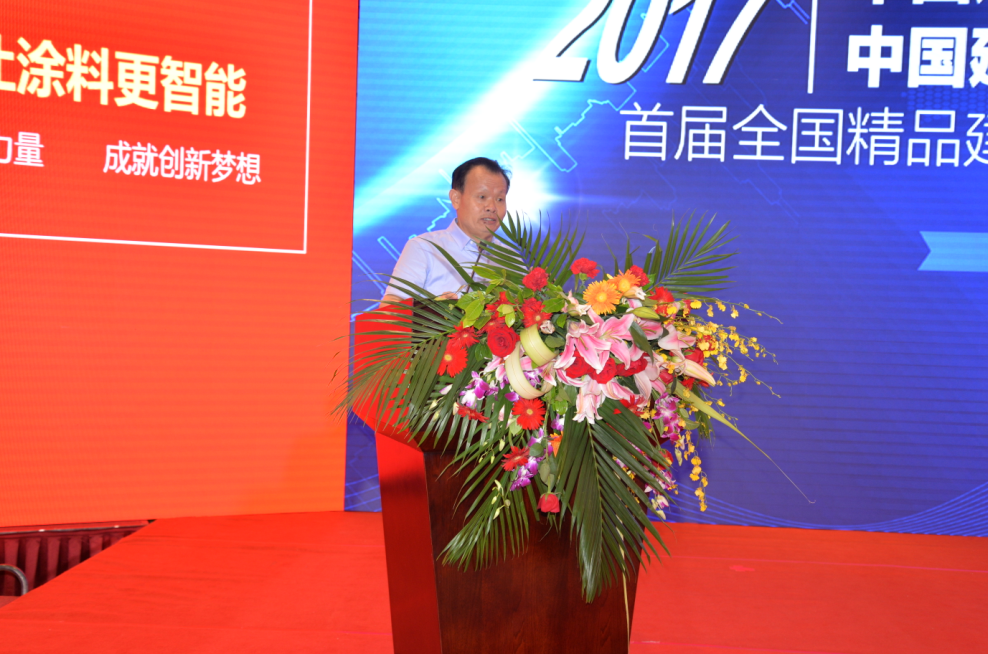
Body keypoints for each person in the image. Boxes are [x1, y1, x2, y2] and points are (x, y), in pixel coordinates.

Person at [381, 157, 510, 305]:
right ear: (456, 199)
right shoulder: (424, 248)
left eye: (500, 199)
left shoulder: (512, 259)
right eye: (482, 196)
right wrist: (433, 311)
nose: (492, 207)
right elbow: (390, 306)